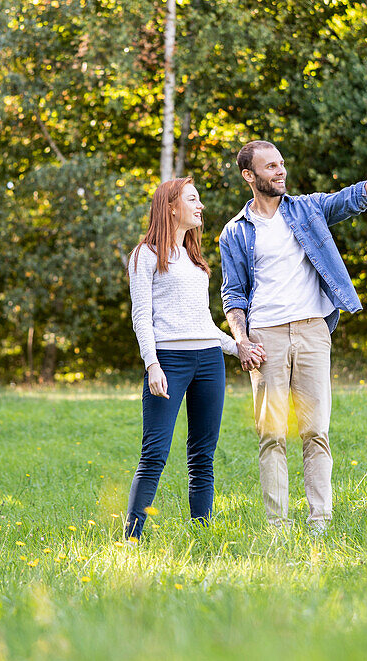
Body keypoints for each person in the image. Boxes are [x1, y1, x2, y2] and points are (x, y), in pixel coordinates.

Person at [219, 140, 367, 534]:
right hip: (266, 336)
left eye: (282, 164)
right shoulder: (235, 232)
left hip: (313, 330)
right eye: (270, 167)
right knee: (272, 434)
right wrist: (242, 339)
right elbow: (233, 293)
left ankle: (320, 521)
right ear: (249, 175)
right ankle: (277, 526)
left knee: (316, 430)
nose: (280, 171)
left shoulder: (306, 209)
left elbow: (354, 197)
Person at [124, 177, 263, 541]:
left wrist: (238, 347)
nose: (200, 206)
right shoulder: (145, 255)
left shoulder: (193, 258)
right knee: (154, 453)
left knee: (203, 455)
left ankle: (202, 534)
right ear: (171, 206)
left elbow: (203, 324)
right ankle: (131, 538)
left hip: (208, 362)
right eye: (193, 199)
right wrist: (152, 364)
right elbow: (142, 316)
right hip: (170, 361)